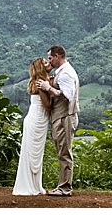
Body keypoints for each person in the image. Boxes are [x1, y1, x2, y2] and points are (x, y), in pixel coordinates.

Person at [36, 44, 79, 196]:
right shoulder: (62, 72)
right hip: (61, 117)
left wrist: (48, 88)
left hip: (65, 117)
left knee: (64, 152)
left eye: (50, 58)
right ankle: (62, 186)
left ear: (57, 56)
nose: (49, 61)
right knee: (62, 151)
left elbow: (67, 95)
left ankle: (65, 188)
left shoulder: (66, 73)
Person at [12, 57, 53, 195]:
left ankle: (34, 184)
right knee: (33, 154)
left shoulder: (39, 81)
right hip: (37, 120)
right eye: (46, 62)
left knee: (34, 153)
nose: (49, 63)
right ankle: (31, 185)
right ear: (42, 67)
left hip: (35, 119)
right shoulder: (41, 83)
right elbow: (47, 105)